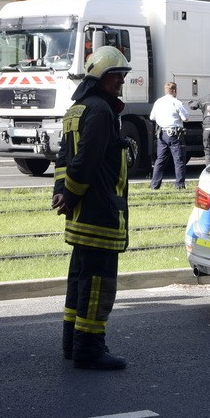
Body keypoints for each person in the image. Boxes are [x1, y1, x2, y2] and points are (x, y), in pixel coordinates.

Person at [51, 46, 131, 371]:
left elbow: (62, 159)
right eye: (115, 76)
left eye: (122, 76)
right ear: (100, 77)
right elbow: (84, 162)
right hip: (99, 214)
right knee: (99, 284)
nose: (120, 82)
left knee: (80, 280)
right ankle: (90, 349)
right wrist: (69, 193)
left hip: (81, 216)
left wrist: (62, 192)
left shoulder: (77, 109)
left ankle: (72, 343)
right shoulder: (100, 111)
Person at [149, 82, 189, 190]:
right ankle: (180, 185)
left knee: (160, 160)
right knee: (179, 160)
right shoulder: (176, 102)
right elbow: (185, 118)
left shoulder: (158, 102)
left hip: (162, 134)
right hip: (174, 134)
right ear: (175, 91)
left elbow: (152, 117)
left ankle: (154, 185)